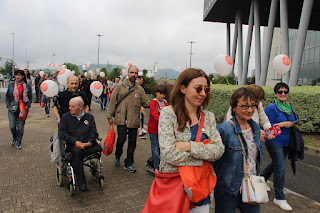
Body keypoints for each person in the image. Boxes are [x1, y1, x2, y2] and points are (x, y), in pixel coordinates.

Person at [158, 68, 224, 212]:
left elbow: (218, 150)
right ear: (183, 88)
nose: (202, 93)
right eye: (198, 88)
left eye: (206, 89)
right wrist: (203, 158)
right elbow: (168, 154)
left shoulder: (209, 117)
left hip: (200, 189)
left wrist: (189, 146)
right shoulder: (168, 115)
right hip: (175, 188)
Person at [214, 87, 262, 213]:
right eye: (245, 106)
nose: (250, 110)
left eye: (253, 106)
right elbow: (213, 160)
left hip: (251, 186)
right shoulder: (224, 130)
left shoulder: (255, 127)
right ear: (234, 107)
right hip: (228, 189)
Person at [261, 82, 296, 211]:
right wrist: (282, 124)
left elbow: (290, 120)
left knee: (276, 164)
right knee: (280, 168)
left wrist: (293, 124)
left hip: (287, 141)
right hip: (274, 141)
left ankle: (262, 179)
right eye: (280, 92)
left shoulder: (288, 106)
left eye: (285, 92)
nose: (283, 94)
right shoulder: (272, 108)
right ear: (275, 93)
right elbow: (265, 124)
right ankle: (279, 197)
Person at [107, 66, 149, 173]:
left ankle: (128, 163)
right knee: (121, 139)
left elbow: (146, 102)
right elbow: (112, 101)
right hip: (121, 119)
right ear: (128, 73)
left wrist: (156, 101)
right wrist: (109, 115)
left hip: (133, 120)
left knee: (132, 142)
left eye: (136, 73)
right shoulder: (119, 86)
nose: (134, 75)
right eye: (132, 72)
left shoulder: (139, 89)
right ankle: (117, 155)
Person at [58, 97, 102, 191]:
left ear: (80, 107)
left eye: (72, 106)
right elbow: (61, 133)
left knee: (95, 149)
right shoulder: (65, 117)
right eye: (69, 106)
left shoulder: (89, 117)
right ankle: (81, 183)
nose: (70, 108)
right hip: (74, 145)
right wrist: (75, 142)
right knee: (77, 154)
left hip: (88, 145)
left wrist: (89, 143)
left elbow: (94, 132)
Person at [6, 70, 32, 149]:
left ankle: (18, 141)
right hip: (12, 107)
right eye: (16, 75)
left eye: (19, 75)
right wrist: (8, 105)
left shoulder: (27, 86)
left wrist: (27, 105)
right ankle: (14, 137)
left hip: (23, 108)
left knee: (20, 126)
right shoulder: (11, 85)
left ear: (23, 76)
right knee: (12, 126)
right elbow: (7, 96)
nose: (17, 77)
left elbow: (30, 97)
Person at [146, 84, 168, 172]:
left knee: (159, 148)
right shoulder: (153, 102)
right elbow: (154, 114)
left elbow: (168, 114)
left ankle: (151, 160)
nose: (161, 96)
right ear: (156, 93)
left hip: (162, 130)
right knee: (155, 148)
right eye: (160, 93)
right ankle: (156, 167)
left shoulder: (165, 103)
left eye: (163, 94)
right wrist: (163, 121)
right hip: (153, 128)